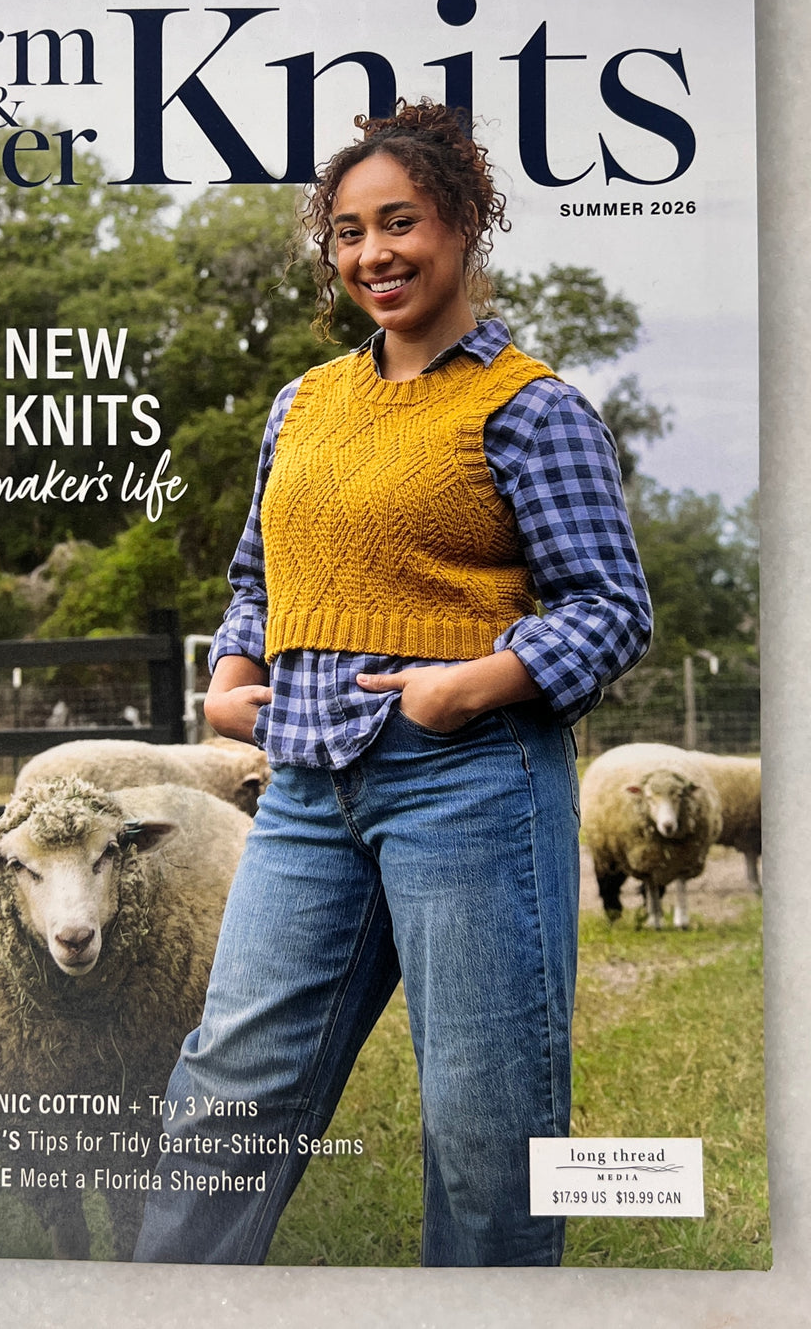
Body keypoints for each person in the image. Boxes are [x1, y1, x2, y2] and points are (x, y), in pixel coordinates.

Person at [133, 100, 652, 1268]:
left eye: (402, 222)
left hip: (470, 784)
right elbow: (261, 573)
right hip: (307, 792)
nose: (375, 254)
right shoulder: (302, 404)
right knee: (227, 1094)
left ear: (465, 222)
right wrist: (231, 671)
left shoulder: (531, 406)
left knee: (486, 1122)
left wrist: (462, 690)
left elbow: (613, 610)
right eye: (350, 232)